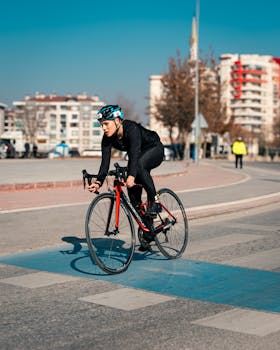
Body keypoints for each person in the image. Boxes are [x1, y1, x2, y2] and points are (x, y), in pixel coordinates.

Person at [87, 104, 164, 219]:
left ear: (117, 120)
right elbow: (105, 162)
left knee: (138, 166)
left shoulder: (131, 129)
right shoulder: (107, 138)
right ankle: (148, 228)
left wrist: (132, 175)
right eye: (101, 124)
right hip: (137, 156)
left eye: (106, 123)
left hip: (154, 148)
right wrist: (98, 182)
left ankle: (155, 201)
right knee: (133, 197)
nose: (103, 128)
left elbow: (134, 153)